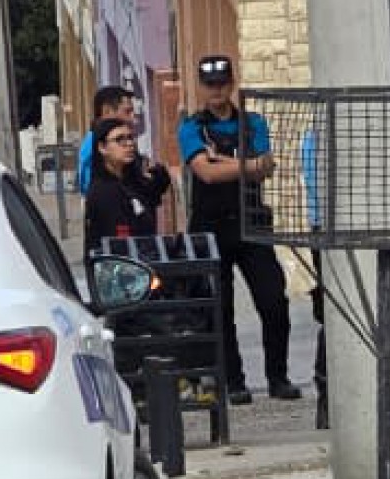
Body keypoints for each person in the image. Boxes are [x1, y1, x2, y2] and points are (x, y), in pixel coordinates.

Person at [178, 53, 298, 404]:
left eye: (221, 84)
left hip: (252, 223)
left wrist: (228, 161)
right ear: (201, 87)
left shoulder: (252, 121)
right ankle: (233, 382)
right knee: (220, 308)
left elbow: (268, 165)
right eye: (209, 85)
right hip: (211, 228)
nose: (216, 91)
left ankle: (278, 377)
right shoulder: (192, 127)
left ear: (231, 84)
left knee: (273, 300)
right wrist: (248, 164)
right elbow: (206, 173)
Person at [82, 118, 168, 251]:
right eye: (119, 140)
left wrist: (158, 175)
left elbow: (154, 190)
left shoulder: (131, 182)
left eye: (130, 138)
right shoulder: (103, 191)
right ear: (102, 147)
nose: (129, 144)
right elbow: (118, 241)